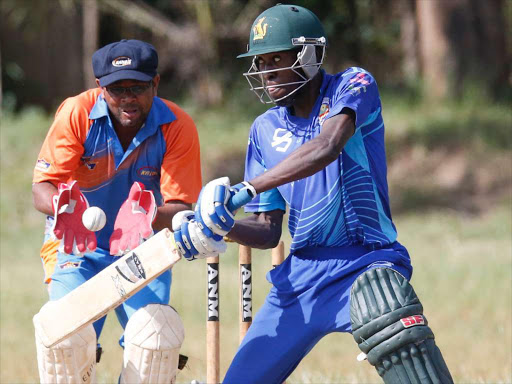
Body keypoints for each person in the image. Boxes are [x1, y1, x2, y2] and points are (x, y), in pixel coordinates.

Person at [175, 4, 454, 383]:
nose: (268, 72)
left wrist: (247, 187)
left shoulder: (353, 85)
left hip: (366, 262)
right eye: (261, 62)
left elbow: (328, 146)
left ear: (307, 56)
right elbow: (268, 229)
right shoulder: (263, 129)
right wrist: (221, 226)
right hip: (301, 276)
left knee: (387, 310)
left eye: (277, 59)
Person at [32, 39, 224, 383]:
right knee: (65, 337)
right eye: (116, 89)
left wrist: (149, 213)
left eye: (137, 87)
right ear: (99, 87)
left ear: (156, 83)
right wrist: (64, 206)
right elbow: (41, 188)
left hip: (142, 249)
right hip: (77, 246)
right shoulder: (78, 113)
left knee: (157, 340)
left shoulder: (177, 125)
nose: (127, 98)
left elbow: (181, 206)